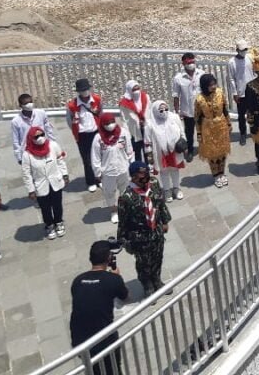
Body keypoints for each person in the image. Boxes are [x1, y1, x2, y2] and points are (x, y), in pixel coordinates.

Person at [70, 241, 129, 375]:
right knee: (113, 369)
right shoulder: (113, 280)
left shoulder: (78, 280)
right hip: (104, 340)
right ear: (108, 258)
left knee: (93, 370)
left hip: (80, 342)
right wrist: (117, 277)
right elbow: (125, 297)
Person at [117, 161, 172, 296]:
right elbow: (123, 222)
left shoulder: (153, 184)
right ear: (134, 177)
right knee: (143, 263)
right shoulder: (126, 197)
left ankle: (157, 280)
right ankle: (147, 285)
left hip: (156, 232)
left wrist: (165, 221)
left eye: (147, 174)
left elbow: (160, 203)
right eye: (142, 175)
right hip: (140, 237)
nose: (145, 178)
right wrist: (124, 241)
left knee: (158, 258)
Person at [21, 126, 69, 240]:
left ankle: (58, 222)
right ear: (31, 138)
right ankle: (49, 225)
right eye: (36, 136)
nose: (40, 138)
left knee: (57, 204)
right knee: (45, 208)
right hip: (41, 185)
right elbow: (26, 174)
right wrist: (31, 190)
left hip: (55, 181)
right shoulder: (27, 155)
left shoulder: (52, 145)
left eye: (42, 135)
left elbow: (60, 160)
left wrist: (65, 175)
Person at [91, 114, 132, 224]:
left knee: (125, 190)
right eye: (107, 123)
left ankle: (125, 209)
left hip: (123, 168)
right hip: (108, 172)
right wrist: (98, 173)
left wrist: (132, 165)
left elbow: (129, 150)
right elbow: (95, 157)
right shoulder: (98, 138)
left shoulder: (123, 133)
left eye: (111, 122)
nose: (110, 125)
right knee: (110, 192)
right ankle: (114, 211)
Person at [195, 73, 232, 187]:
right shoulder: (199, 99)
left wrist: (229, 123)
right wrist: (199, 132)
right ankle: (215, 175)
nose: (214, 86)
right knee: (212, 152)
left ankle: (222, 173)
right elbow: (197, 117)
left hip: (221, 125)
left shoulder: (220, 93)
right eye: (211, 85)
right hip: (208, 127)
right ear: (205, 86)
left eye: (214, 84)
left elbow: (225, 109)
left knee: (222, 150)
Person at [67, 78, 103, 192]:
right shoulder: (72, 105)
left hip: (96, 132)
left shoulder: (97, 99)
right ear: (78, 92)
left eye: (87, 89)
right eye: (83, 90)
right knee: (87, 159)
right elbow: (69, 120)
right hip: (82, 135)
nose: (85, 92)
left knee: (99, 156)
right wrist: (76, 131)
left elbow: (101, 113)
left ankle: (100, 179)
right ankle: (91, 181)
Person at [144, 99, 185, 201]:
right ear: (155, 111)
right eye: (161, 110)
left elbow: (182, 132)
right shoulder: (150, 124)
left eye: (166, 109)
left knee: (175, 170)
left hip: (174, 150)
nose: (164, 112)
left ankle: (176, 188)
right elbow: (147, 143)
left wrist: (185, 146)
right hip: (160, 153)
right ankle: (167, 191)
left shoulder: (174, 118)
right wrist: (150, 160)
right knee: (164, 171)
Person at [171, 54, 204, 162]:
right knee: (189, 133)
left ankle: (204, 148)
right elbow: (176, 95)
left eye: (192, 62)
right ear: (184, 64)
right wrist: (177, 112)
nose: (191, 65)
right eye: (189, 63)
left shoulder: (201, 74)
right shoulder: (178, 78)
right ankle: (190, 150)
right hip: (187, 111)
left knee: (204, 130)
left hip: (202, 110)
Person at [11, 93, 57, 167]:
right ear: (20, 105)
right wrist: (19, 157)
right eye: (26, 103)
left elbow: (49, 130)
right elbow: (16, 140)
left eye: (30, 102)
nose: (29, 104)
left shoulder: (41, 113)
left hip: (43, 147)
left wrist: (54, 145)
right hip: (28, 152)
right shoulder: (16, 121)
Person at [228, 39, 256, 146]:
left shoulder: (249, 57)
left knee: (253, 112)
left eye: (245, 49)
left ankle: (253, 129)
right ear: (237, 50)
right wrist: (235, 93)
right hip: (241, 91)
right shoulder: (232, 62)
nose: (244, 51)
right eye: (242, 49)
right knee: (241, 115)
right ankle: (243, 134)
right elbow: (231, 79)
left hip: (252, 90)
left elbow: (254, 71)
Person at [118, 79, 150, 164]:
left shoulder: (145, 97)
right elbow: (124, 119)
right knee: (137, 150)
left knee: (147, 148)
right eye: (134, 90)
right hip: (134, 131)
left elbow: (149, 111)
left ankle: (148, 167)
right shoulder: (124, 103)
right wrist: (127, 133)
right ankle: (138, 169)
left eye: (138, 88)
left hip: (146, 127)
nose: (137, 91)